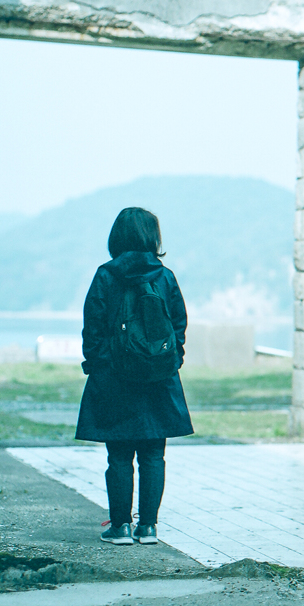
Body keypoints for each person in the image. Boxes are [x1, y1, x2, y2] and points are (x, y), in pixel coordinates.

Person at [75, 207, 194, 546]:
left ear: (117, 236)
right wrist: (171, 361)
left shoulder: (105, 275)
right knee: (154, 455)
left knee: (119, 456)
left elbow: (92, 329)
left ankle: (121, 527)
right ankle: (149, 528)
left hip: (115, 379)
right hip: (160, 378)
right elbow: (179, 325)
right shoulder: (165, 276)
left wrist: (99, 366)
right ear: (152, 236)